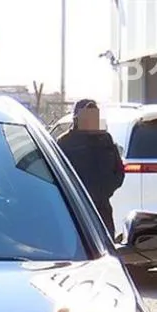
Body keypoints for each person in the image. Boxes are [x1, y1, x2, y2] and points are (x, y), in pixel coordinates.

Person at [57, 99, 125, 238]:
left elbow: (118, 171)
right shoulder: (65, 142)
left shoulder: (105, 139)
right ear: (77, 118)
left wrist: (104, 192)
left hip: (100, 209)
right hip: (75, 209)